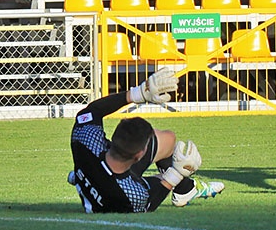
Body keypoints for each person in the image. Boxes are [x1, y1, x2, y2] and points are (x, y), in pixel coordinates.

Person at [67, 67, 224, 213]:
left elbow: (92, 111)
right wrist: (176, 173)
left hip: (92, 168)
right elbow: (148, 203)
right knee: (162, 175)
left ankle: (185, 190)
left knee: (168, 139)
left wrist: (136, 94)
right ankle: (185, 187)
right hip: (113, 190)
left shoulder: (85, 139)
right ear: (139, 155)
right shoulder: (133, 193)